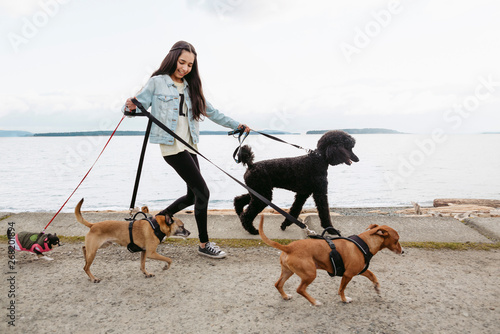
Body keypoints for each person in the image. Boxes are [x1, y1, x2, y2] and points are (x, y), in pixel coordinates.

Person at [123, 41, 249, 259]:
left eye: (190, 65)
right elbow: (135, 107)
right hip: (171, 146)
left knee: (193, 195)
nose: (185, 68)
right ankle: (204, 243)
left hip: (190, 144)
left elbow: (213, 112)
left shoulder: (191, 86)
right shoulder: (157, 82)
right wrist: (129, 106)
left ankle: (157, 220)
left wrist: (236, 125)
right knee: (204, 193)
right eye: (182, 62)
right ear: (173, 59)